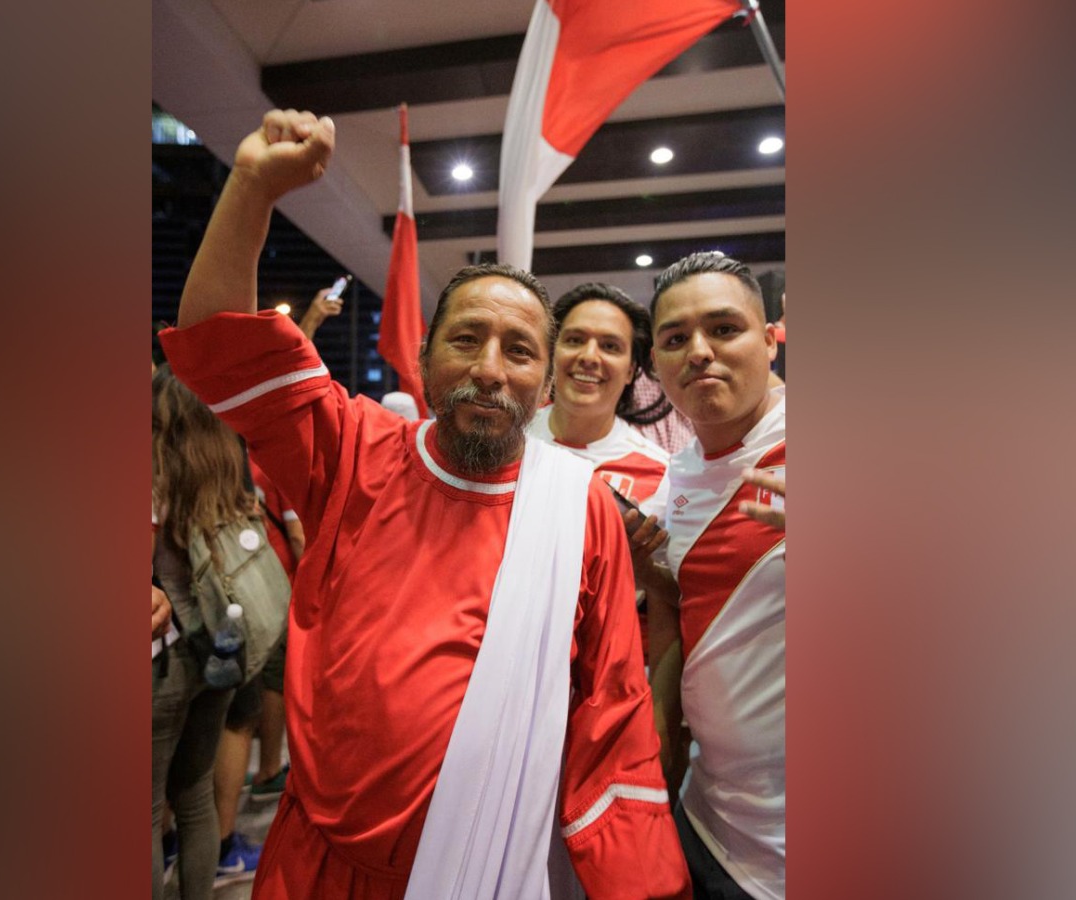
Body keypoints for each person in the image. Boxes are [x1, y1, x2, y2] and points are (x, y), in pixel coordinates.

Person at [159, 108, 689, 899]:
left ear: (544, 383)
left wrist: (638, 885)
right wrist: (251, 188)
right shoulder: (354, 447)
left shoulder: (581, 508)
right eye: (466, 340)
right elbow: (222, 342)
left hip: (492, 861)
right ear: (424, 360)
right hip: (320, 862)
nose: (489, 369)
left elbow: (608, 707)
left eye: (518, 351)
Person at [632, 251, 786, 900]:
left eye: (724, 329)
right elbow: (683, 623)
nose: (698, 351)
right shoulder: (679, 479)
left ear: (771, 338)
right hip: (714, 831)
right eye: (675, 339)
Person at [152, 363, 258, 900]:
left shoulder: (153, 474)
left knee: (146, 813)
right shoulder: (228, 466)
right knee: (194, 797)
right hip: (223, 648)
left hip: (165, 659)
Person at [525, 282, 671, 663]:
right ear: (552, 352)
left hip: (602, 674)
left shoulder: (662, 474)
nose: (590, 357)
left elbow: (667, 603)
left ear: (631, 371)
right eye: (574, 340)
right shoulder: (505, 445)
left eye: (610, 346)